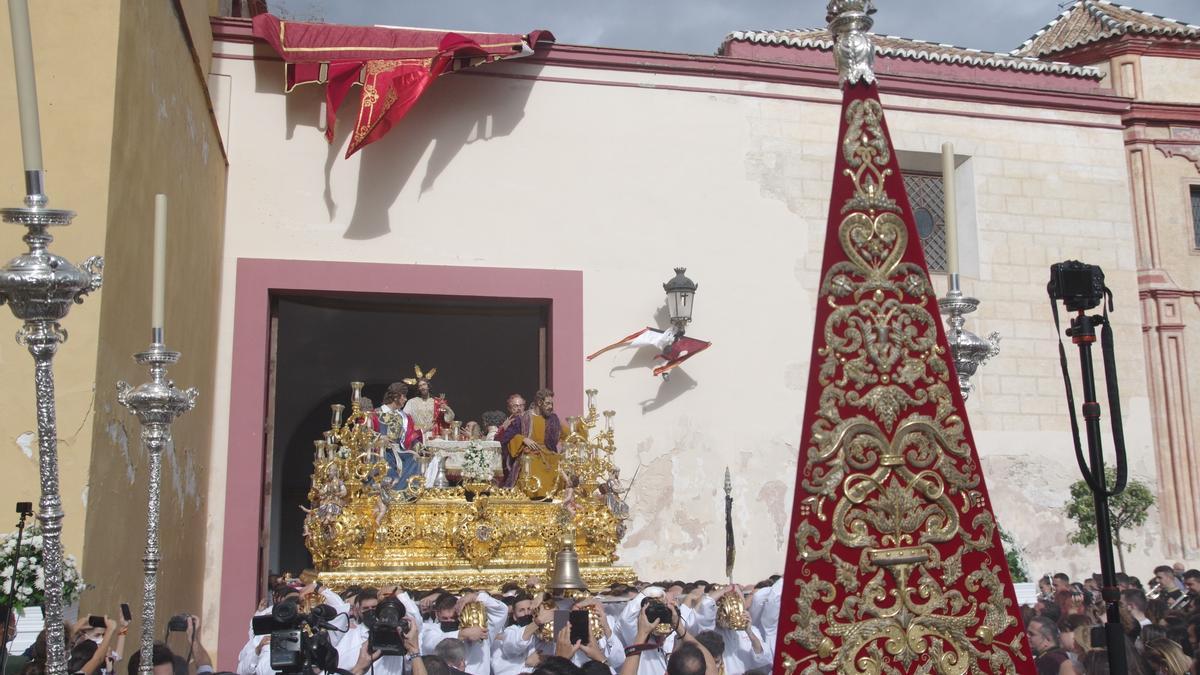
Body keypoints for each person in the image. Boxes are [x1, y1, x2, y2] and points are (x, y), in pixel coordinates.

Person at [498, 389, 563, 497]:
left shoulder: (553, 419)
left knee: (560, 466)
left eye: (551, 403)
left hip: (549, 455)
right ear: (539, 402)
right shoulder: (523, 418)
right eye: (547, 403)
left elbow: (567, 432)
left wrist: (581, 425)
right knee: (531, 464)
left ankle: (552, 498)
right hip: (530, 456)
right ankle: (535, 497)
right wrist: (522, 439)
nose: (550, 406)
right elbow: (507, 438)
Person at [377, 382, 424, 491]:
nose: (405, 399)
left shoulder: (404, 417)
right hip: (382, 450)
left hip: (400, 450)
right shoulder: (376, 414)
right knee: (383, 459)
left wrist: (420, 447)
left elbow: (411, 437)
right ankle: (391, 487)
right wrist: (379, 438)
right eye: (404, 396)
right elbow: (366, 433)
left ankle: (402, 491)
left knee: (415, 459)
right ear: (396, 396)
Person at [402, 366, 454, 437]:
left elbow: (448, 419)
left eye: (424, 384)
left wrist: (446, 408)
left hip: (433, 434)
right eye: (420, 386)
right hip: (418, 434)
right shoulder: (412, 402)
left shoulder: (437, 402)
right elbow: (404, 417)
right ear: (418, 389)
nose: (422, 387)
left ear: (428, 386)